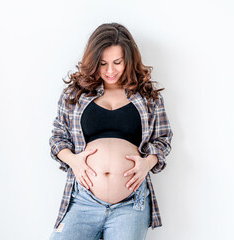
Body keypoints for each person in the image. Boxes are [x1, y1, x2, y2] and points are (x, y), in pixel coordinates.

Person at [49, 22, 173, 240]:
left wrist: (147, 163)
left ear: (129, 60)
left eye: (117, 62)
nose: (110, 71)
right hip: (83, 200)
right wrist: (74, 161)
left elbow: (163, 139)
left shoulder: (148, 96)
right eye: (103, 63)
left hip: (131, 203)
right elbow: (58, 138)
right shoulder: (75, 94)